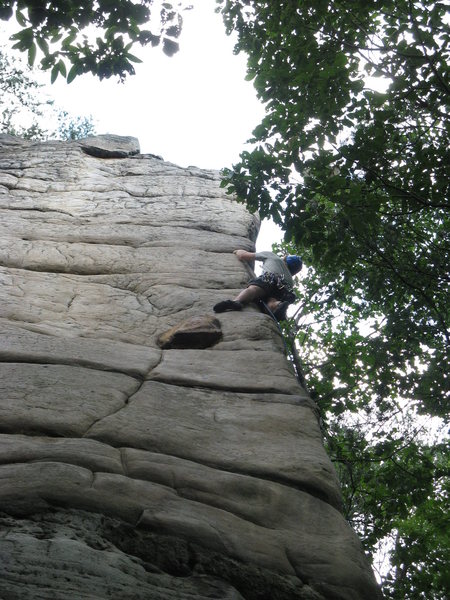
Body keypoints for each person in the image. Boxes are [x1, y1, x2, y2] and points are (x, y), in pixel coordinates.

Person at [213, 249, 302, 321]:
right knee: (272, 300)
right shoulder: (290, 280)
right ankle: (277, 305)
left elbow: (244, 256)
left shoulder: (273, 257)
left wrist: (238, 251)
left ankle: (237, 301)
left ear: (285, 258)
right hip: (284, 290)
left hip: (270, 279)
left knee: (254, 289)